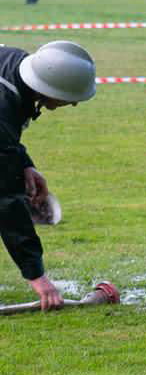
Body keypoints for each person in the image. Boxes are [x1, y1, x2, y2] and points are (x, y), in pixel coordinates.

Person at [0, 41, 97, 310]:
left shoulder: (17, 65)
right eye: (69, 97)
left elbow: (7, 138)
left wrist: (24, 164)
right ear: (47, 88)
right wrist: (37, 277)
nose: (74, 103)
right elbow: (7, 202)